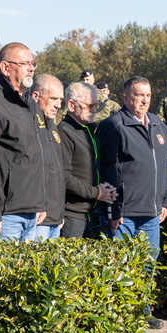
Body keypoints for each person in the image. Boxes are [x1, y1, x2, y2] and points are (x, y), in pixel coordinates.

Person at [0, 42, 49, 242]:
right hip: (5, 216)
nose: (31, 68)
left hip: (32, 213)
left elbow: (37, 158)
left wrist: (41, 203)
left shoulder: (31, 104)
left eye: (33, 63)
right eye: (25, 63)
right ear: (5, 68)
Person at [96, 76, 167, 262]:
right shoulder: (113, 126)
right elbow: (105, 170)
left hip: (152, 215)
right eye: (139, 95)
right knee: (121, 266)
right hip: (124, 216)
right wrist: (113, 209)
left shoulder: (158, 125)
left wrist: (165, 202)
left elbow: (166, 165)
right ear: (125, 97)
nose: (145, 100)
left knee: (148, 266)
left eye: (148, 95)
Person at [58, 82, 117, 238]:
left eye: (96, 105)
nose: (94, 110)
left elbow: (91, 171)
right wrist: (96, 192)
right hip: (71, 215)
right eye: (89, 106)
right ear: (71, 105)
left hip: (89, 213)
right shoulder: (64, 132)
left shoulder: (89, 131)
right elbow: (64, 176)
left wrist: (105, 188)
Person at [30, 74, 66, 241]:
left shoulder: (52, 126)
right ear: (36, 96)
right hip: (38, 218)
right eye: (53, 98)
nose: (58, 105)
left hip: (55, 218)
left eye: (60, 99)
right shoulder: (30, 126)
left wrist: (59, 213)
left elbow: (56, 173)